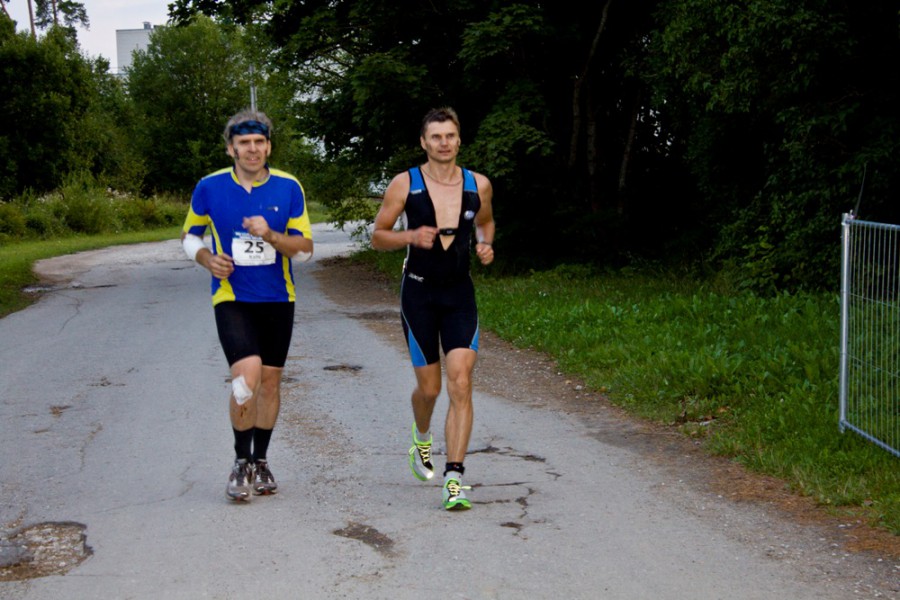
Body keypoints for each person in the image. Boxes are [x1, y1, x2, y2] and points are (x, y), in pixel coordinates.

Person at [181, 108, 313, 502]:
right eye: (244, 144)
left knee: (270, 383)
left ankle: (261, 459)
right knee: (246, 378)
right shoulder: (209, 186)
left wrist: (271, 235)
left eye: (259, 143)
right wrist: (207, 259)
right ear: (230, 149)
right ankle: (241, 461)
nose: (252, 150)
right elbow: (190, 235)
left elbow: (304, 251)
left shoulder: (289, 187)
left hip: (278, 298)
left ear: (268, 146)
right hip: (232, 298)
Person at [371, 107, 495, 510]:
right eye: (436, 136)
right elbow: (378, 236)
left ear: (460, 140)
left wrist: (485, 244)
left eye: (450, 136)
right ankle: (421, 437)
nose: (444, 142)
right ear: (424, 142)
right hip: (419, 294)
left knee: (460, 380)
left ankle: (454, 478)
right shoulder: (404, 183)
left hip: (459, 294)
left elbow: (486, 224)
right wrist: (410, 235)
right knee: (431, 388)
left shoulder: (479, 185)